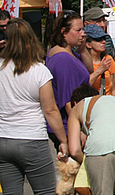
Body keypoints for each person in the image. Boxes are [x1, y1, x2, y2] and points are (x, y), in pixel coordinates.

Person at [0, 18, 68, 194]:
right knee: (44, 191)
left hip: (3, 137)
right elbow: (50, 110)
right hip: (31, 138)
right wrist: (63, 140)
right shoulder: (39, 71)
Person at [67, 84, 115, 195]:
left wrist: (85, 162)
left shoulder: (76, 109)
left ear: (74, 103)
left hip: (101, 146)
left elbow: (74, 150)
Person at [44, 11, 95, 149]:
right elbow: (68, 101)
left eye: (82, 29)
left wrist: (83, 49)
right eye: (78, 30)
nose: (83, 33)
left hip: (74, 122)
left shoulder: (68, 52)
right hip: (69, 126)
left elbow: (90, 69)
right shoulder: (63, 59)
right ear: (64, 32)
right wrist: (78, 131)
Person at [83, 7, 115, 81]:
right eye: (98, 21)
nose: (102, 25)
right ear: (86, 23)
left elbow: (114, 56)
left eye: (103, 21)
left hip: (104, 83)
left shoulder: (107, 38)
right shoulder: (79, 40)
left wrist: (114, 76)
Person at [84, 24, 115, 95]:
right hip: (91, 103)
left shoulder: (108, 59)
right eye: (98, 39)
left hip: (107, 102)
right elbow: (82, 87)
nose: (103, 42)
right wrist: (99, 70)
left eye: (104, 38)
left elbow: (113, 88)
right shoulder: (82, 62)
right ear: (88, 44)